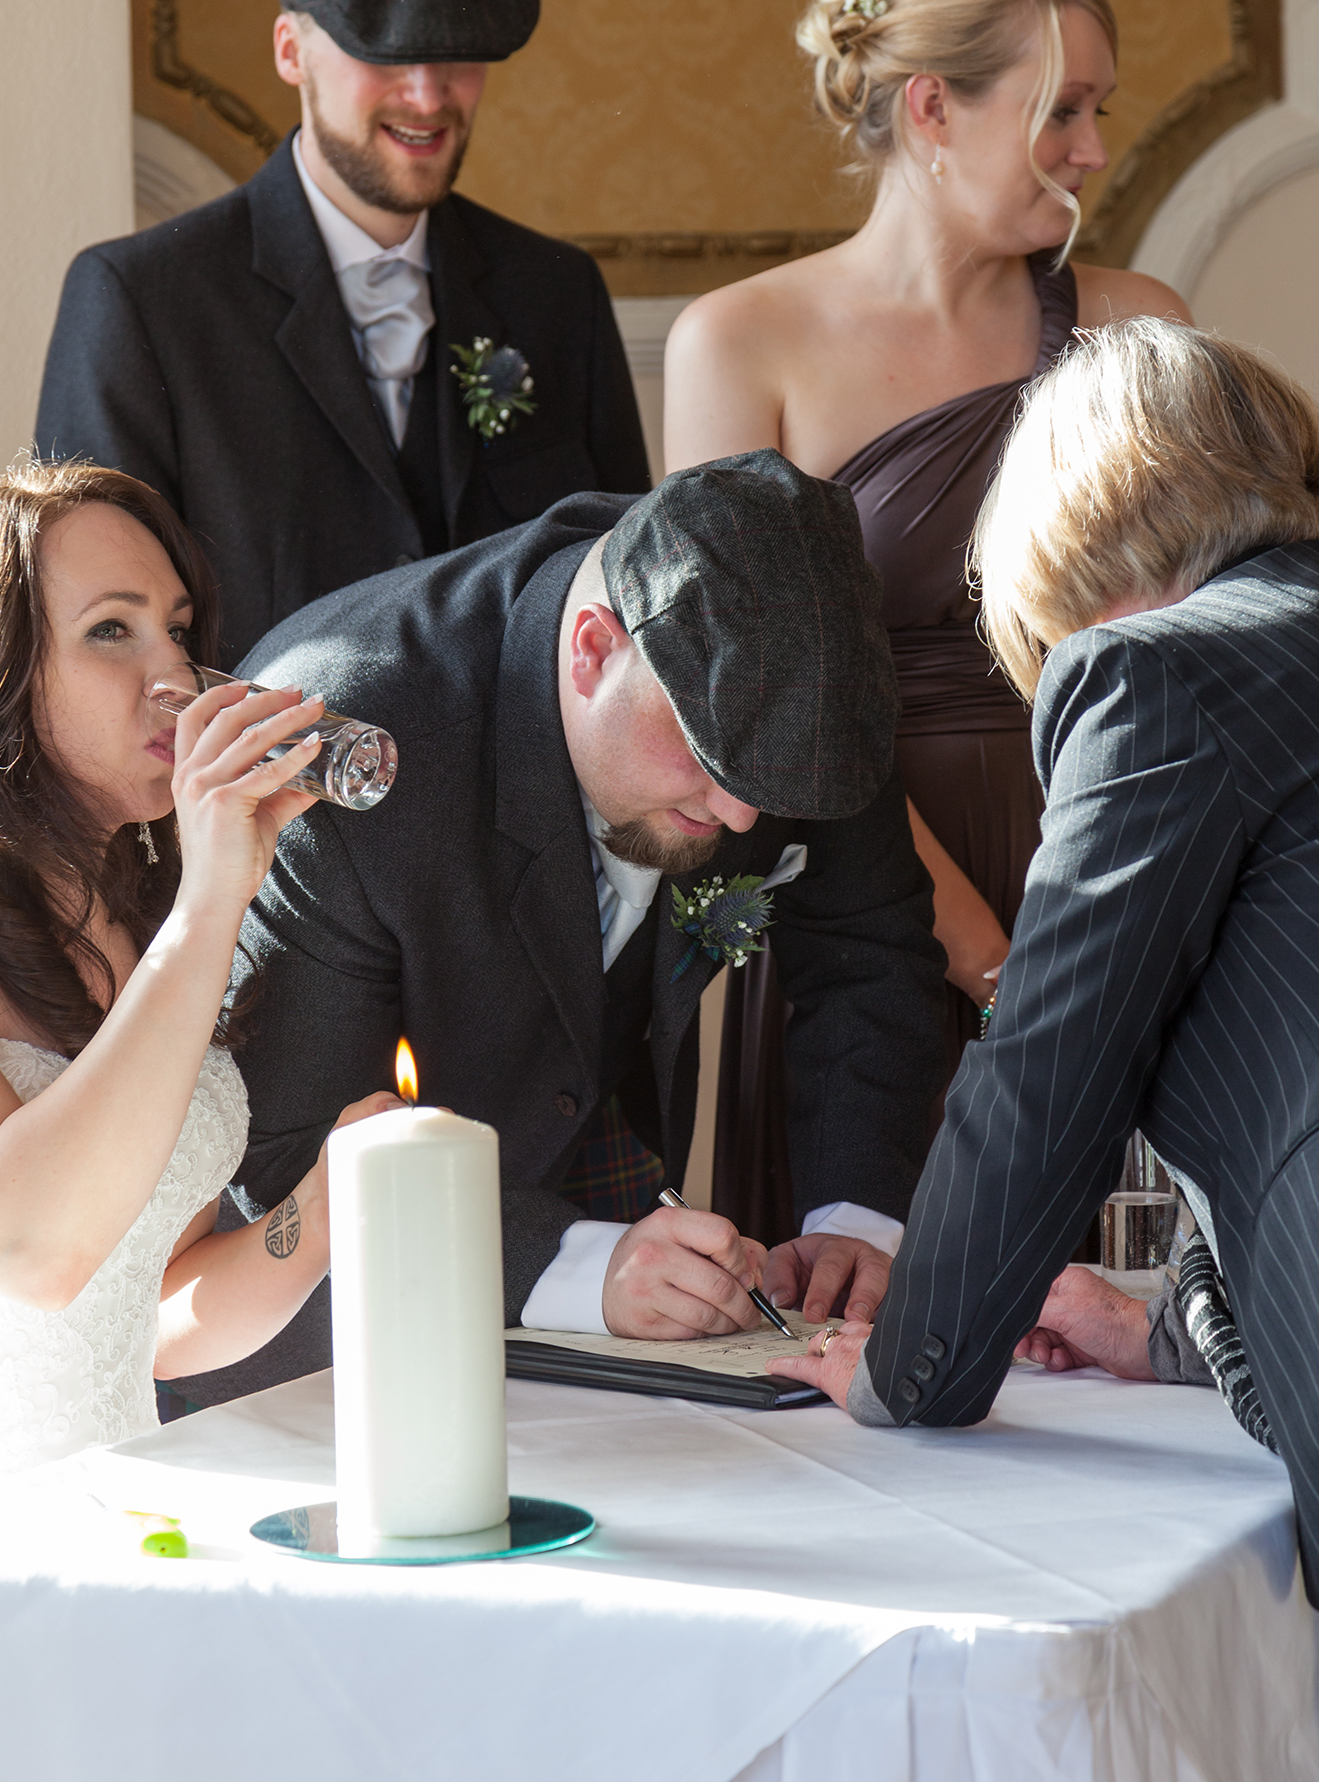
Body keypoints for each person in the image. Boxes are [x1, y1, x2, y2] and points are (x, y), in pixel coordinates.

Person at [162, 450, 947, 1410]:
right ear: (592, 648)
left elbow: (871, 955)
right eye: (709, 757)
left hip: (607, 1192)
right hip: (329, 1333)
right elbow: (292, 1152)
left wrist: (854, 1221)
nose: (743, 816)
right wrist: (582, 1268)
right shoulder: (346, 760)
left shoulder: (804, 687)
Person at [771, 320, 1319, 1602]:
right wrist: (1161, 1329)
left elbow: (1049, 1070)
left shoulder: (1154, 672)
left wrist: (910, 1369)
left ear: (1070, 529)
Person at [661, 0, 1189, 1226]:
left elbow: (1203, 646)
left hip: (1111, 865)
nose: (1093, 150)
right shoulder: (740, 343)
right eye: (1061, 111)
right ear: (931, 108)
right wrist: (983, 955)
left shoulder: (1139, 327)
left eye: (1099, 110)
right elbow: (745, 702)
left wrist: (1111, 936)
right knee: (874, 1279)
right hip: (864, 909)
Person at [35, 0, 648, 666]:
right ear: (291, 52)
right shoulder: (139, 301)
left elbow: (625, 584)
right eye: (385, 54)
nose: (427, 97)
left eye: (457, 56)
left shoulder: (557, 293)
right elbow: (93, 638)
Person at [0, 460, 396, 1470]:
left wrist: (323, 1206)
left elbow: (160, 1310)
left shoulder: (140, 922)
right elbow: (31, 1255)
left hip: (115, 1497)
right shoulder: (190, 920)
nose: (173, 676)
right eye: (111, 630)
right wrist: (214, 899)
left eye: (178, 630)